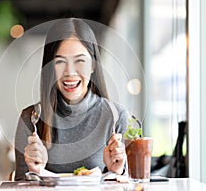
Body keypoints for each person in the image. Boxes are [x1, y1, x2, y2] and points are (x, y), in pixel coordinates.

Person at [14, 18, 129, 181]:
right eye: (60, 61)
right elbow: (17, 185)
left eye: (80, 61)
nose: (70, 72)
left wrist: (116, 173)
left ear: (93, 65)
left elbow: (132, 184)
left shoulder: (116, 117)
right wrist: (34, 172)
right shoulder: (31, 118)